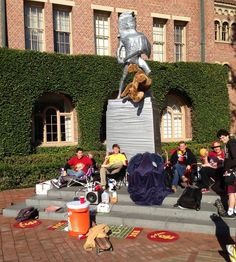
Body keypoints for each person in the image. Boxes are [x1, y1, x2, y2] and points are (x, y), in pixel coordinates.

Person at [217, 129, 236, 219]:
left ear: (227, 135)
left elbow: (235, 158)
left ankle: (230, 212)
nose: (222, 139)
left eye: (223, 137)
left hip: (232, 172)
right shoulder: (230, 143)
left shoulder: (231, 144)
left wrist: (227, 169)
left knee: (231, 192)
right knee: (234, 192)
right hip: (233, 171)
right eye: (220, 138)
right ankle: (234, 210)